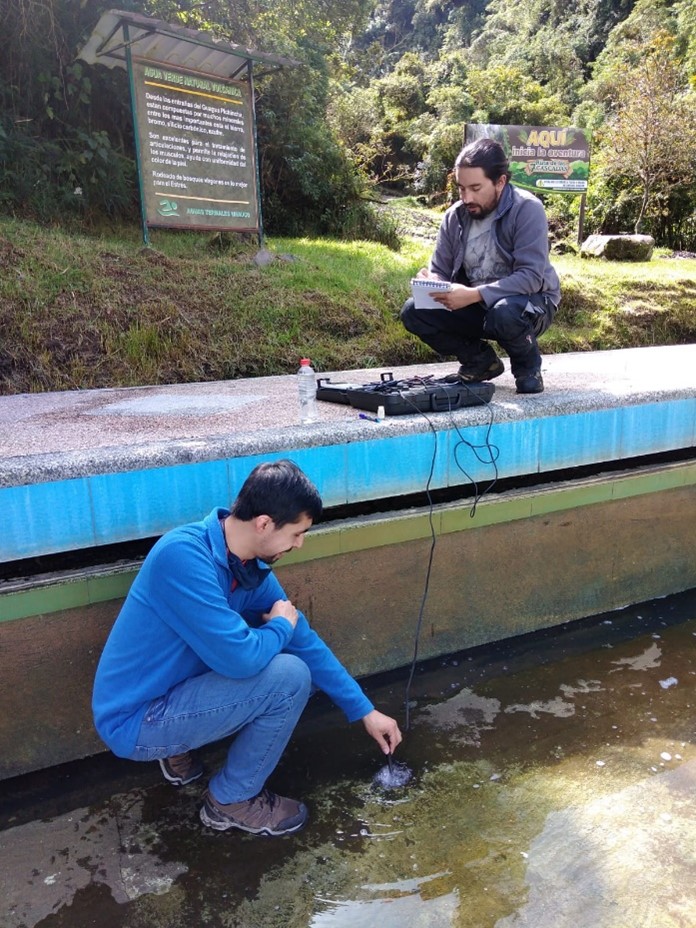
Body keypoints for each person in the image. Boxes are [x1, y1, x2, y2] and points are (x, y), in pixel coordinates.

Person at [92, 459, 402, 837]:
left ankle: (175, 751)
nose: (300, 544)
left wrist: (366, 711)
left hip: (170, 696)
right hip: (135, 719)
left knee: (275, 650)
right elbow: (242, 660)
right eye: (297, 533)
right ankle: (231, 801)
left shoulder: (247, 568)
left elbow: (305, 640)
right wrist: (278, 629)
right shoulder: (183, 558)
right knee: (289, 676)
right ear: (264, 523)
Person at [400, 137, 561, 394]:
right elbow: (440, 267)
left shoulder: (527, 209)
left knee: (505, 312)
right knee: (414, 311)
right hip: (476, 304)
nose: (466, 197)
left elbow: (531, 277)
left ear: (500, 182)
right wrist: (434, 281)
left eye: (475, 188)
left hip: (530, 304)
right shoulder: (455, 215)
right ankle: (480, 361)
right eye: (461, 188)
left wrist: (473, 294)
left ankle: (528, 367)